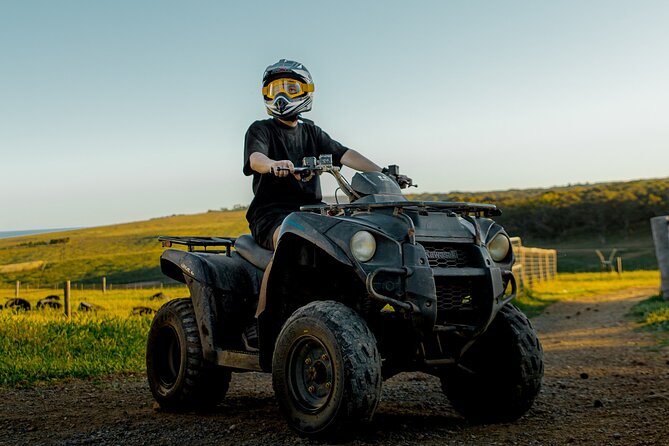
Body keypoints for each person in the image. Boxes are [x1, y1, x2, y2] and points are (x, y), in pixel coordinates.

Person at [244, 59, 383, 250]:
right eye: (275, 90)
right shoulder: (261, 129)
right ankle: (271, 281)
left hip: (313, 210)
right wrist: (272, 165)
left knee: (356, 235)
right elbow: (256, 159)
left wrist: (383, 173)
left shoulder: (312, 132)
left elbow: (344, 154)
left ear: (305, 90)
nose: (282, 95)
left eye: (291, 89)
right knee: (292, 245)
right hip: (271, 215)